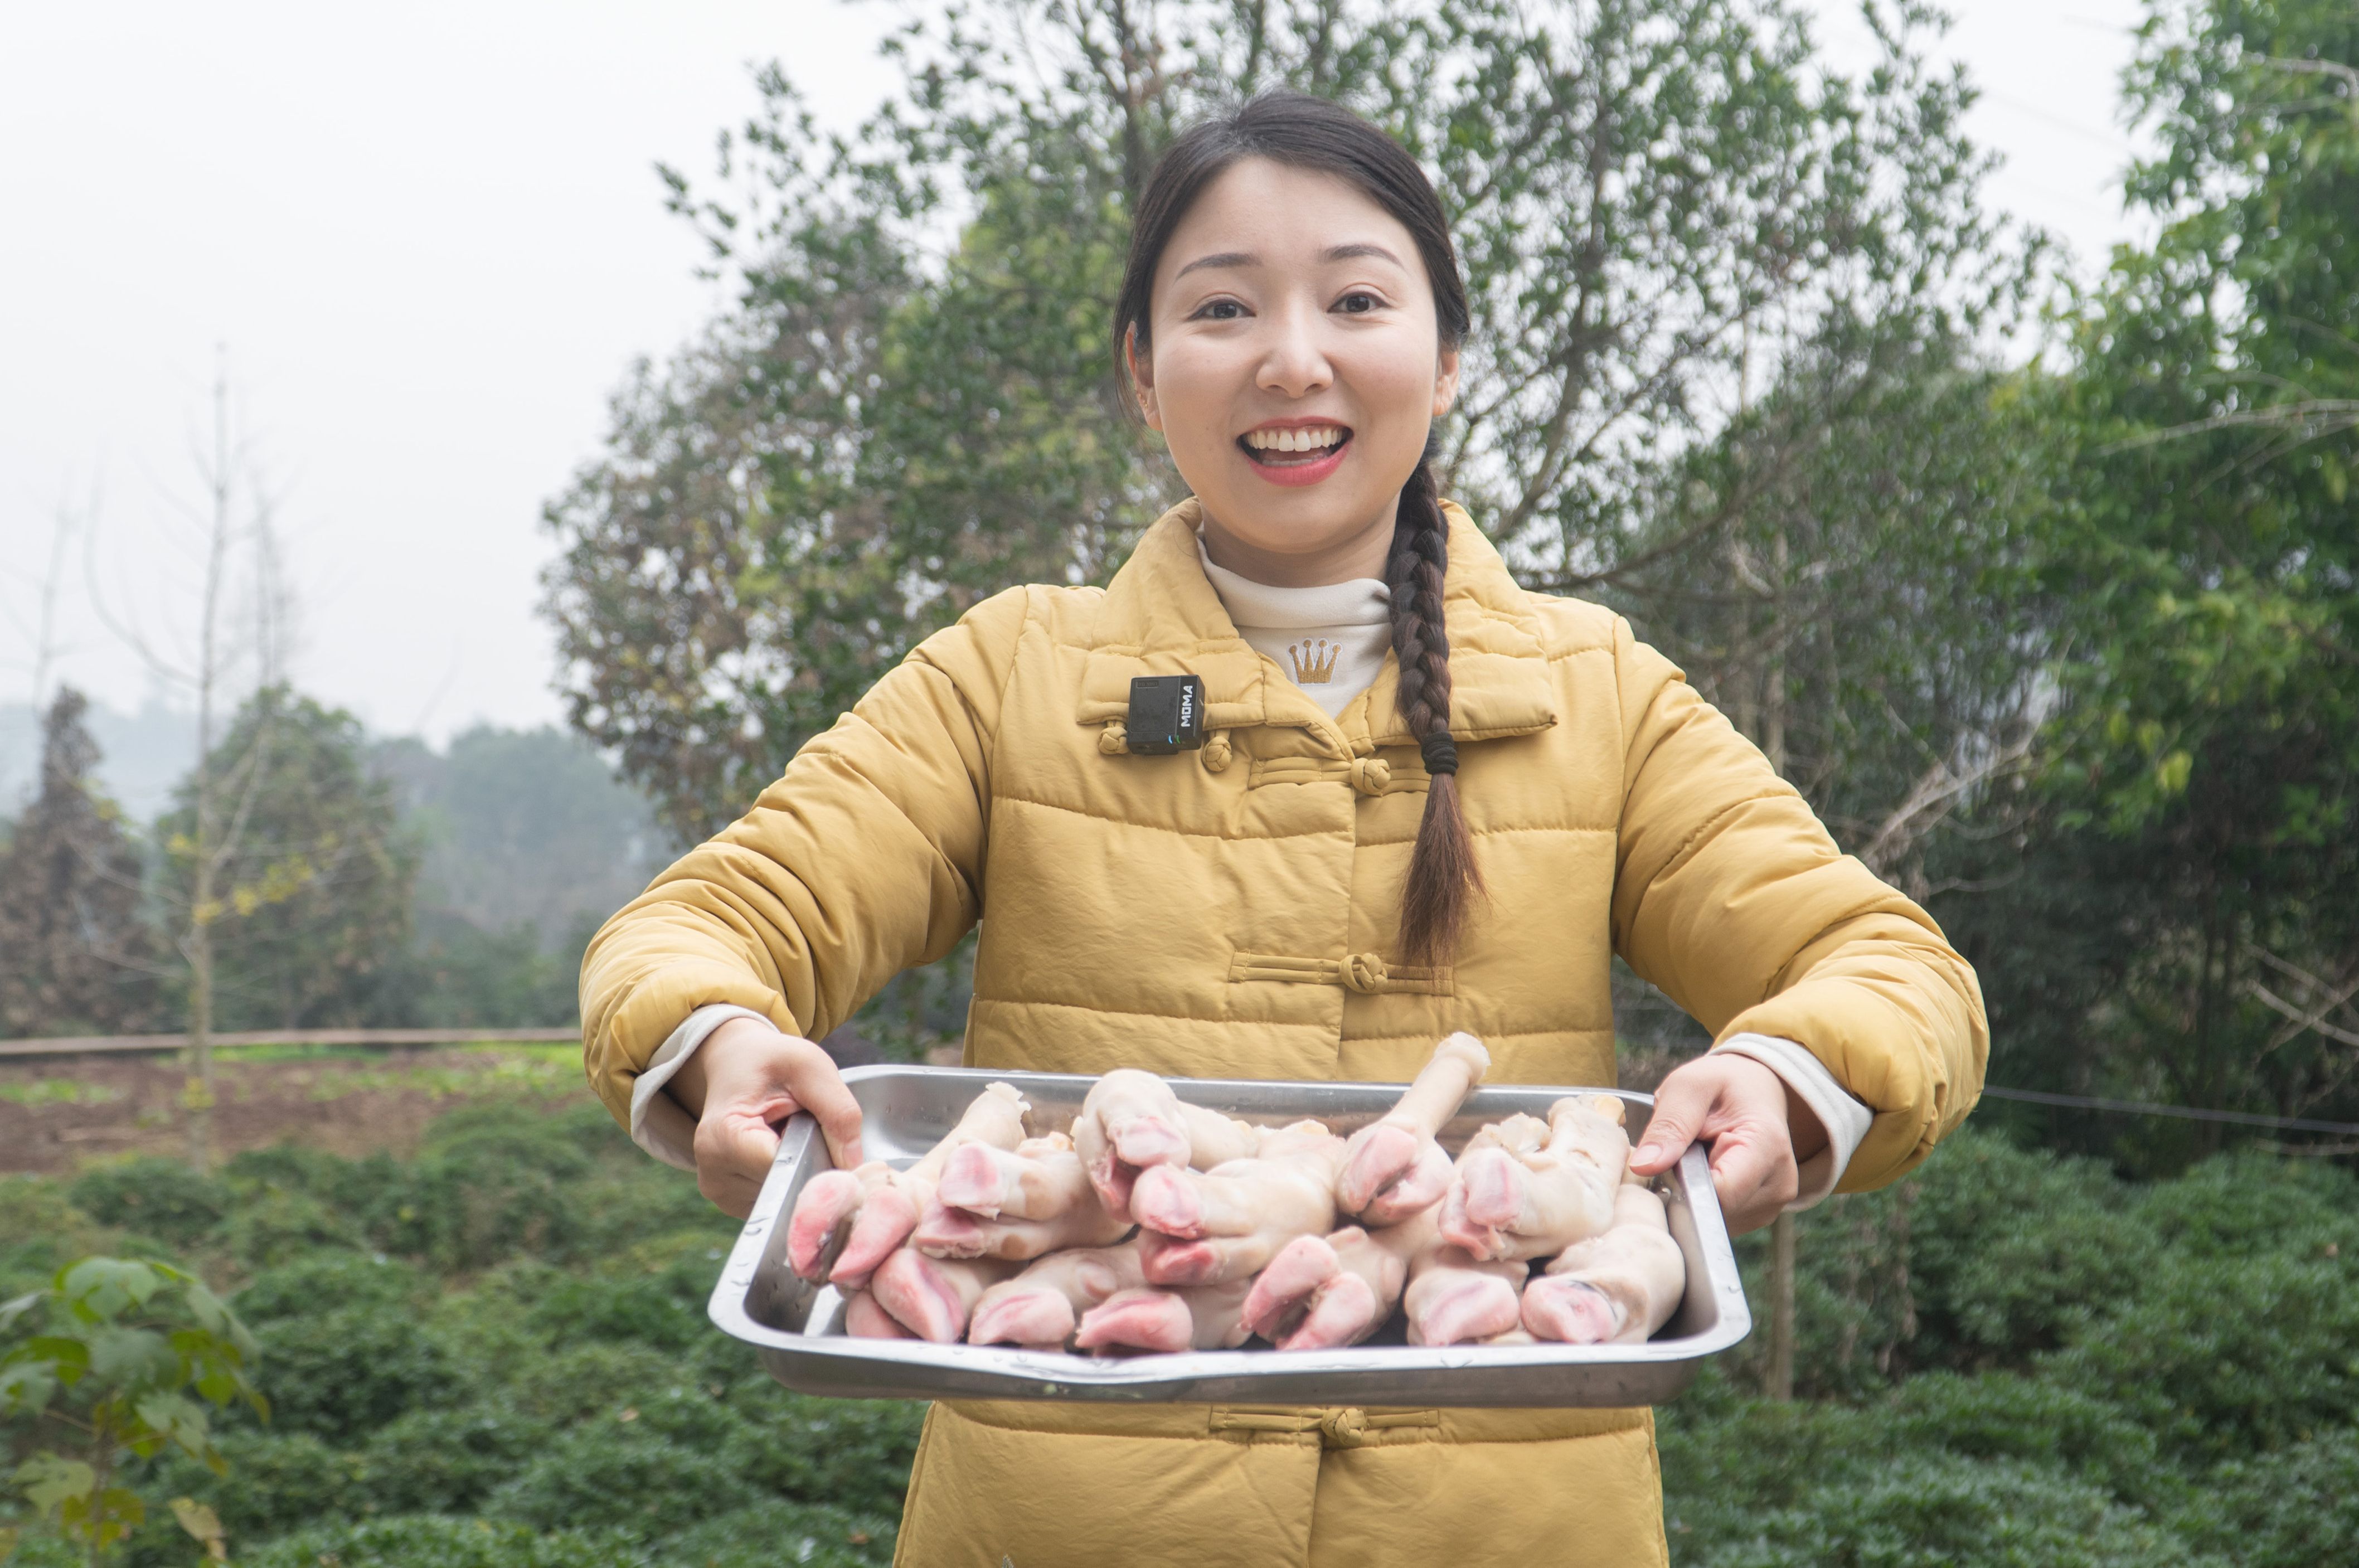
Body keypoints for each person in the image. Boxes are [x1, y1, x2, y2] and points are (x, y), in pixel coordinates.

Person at [579, 89, 1987, 1568]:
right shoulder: (1011, 677)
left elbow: (1889, 971)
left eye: (1357, 299)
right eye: (1223, 308)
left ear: (1445, 359)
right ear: (1142, 369)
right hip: (1064, 1526)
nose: (1292, 359)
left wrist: (1786, 1078)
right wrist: (714, 1042)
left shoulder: (1597, 695)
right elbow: (702, 925)